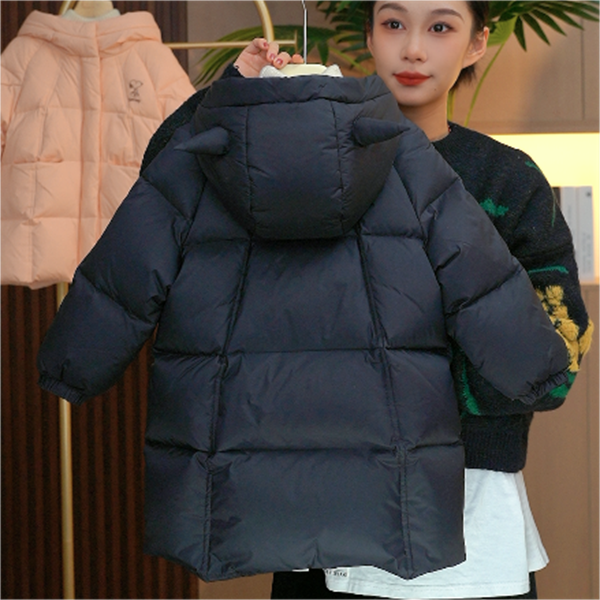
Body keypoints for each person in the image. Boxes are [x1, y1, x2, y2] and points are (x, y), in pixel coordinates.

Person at [266, 0, 593, 599]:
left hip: (471, 518)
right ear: (369, 35)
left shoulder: (508, 180)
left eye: (440, 27)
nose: (413, 48)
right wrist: (236, 94)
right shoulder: (311, 167)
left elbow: (557, 362)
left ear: (476, 42)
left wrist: (403, 385)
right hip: (327, 505)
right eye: (394, 24)